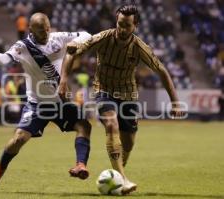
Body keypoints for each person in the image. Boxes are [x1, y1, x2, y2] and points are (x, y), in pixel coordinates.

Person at [59, 3, 185, 194]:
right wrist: (64, 80)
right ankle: (123, 179)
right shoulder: (103, 37)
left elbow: (162, 71)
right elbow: (71, 52)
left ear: (135, 26)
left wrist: (175, 101)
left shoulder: (139, 47)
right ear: (116, 21)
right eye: (120, 24)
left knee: (128, 143)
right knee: (111, 124)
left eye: (127, 25)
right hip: (103, 90)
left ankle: (117, 174)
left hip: (128, 95)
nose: (122, 29)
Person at [0, 12, 92, 189]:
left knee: (84, 126)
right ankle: (0, 169)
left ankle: (80, 165)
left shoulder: (58, 38)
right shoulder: (22, 47)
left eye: (47, 28)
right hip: (37, 104)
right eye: (41, 30)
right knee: (19, 139)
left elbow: (87, 35)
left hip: (60, 102)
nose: (46, 32)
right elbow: (4, 59)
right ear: (30, 29)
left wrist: (74, 43)